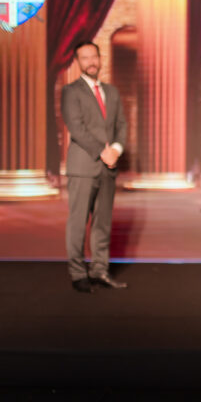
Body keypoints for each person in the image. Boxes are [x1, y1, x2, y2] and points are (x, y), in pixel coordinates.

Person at [60, 41, 127, 293]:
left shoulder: (112, 91)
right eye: (85, 57)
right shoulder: (70, 91)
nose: (91, 62)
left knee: (103, 224)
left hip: (108, 167)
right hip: (83, 166)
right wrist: (103, 151)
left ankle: (100, 271)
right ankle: (78, 274)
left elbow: (121, 125)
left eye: (94, 57)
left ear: (100, 59)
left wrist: (116, 149)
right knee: (78, 223)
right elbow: (76, 128)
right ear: (78, 62)